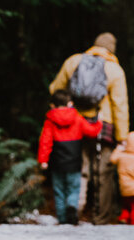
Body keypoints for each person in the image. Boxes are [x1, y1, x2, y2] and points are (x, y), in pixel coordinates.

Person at [48, 33, 129, 224]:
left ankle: (74, 210)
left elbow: (55, 89)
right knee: (103, 171)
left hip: (74, 122)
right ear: (112, 50)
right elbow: (120, 104)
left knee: (79, 168)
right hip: (104, 122)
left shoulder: (74, 61)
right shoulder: (115, 69)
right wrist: (122, 136)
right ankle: (100, 217)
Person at [37, 89, 102, 224]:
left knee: (59, 190)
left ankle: (62, 218)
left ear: (52, 105)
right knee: (73, 188)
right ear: (70, 103)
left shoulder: (50, 121)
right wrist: (99, 122)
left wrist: (43, 160)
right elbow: (91, 132)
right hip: (74, 160)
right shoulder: (77, 118)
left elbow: (45, 142)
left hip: (57, 162)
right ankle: (72, 206)